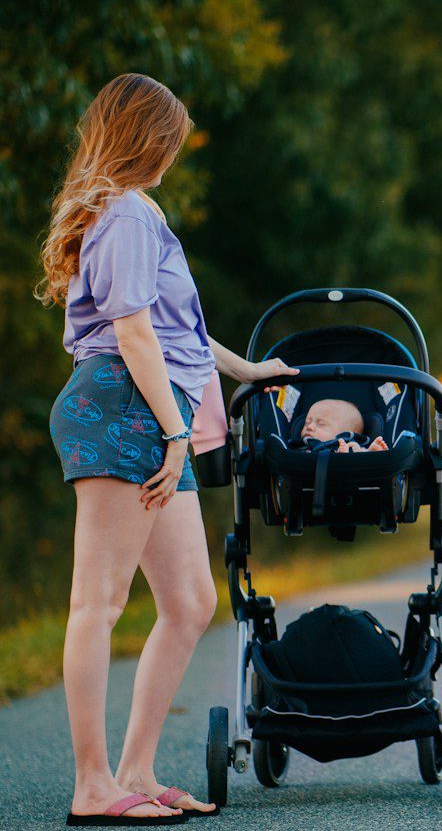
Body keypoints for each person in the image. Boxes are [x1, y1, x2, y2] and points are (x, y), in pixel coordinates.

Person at [38, 74, 298, 823]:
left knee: (188, 601)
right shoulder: (125, 215)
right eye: (172, 138)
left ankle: (137, 771)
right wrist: (179, 433)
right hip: (122, 407)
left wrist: (248, 369)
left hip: (147, 408)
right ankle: (93, 787)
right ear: (149, 138)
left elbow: (172, 329)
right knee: (100, 600)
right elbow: (132, 333)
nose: (175, 151)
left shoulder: (132, 213)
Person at [296, 398, 388, 452]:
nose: (309, 427)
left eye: (321, 424)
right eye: (307, 422)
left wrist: (369, 452)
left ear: (346, 433)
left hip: (346, 471)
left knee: (357, 454)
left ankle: (371, 454)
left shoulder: (349, 445)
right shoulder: (301, 447)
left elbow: (357, 452)